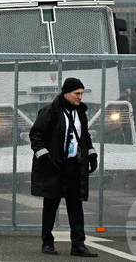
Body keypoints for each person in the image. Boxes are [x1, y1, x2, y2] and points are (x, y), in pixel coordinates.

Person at [30, 77, 99, 257]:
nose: (80, 97)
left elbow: (84, 137)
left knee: (76, 207)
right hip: (55, 166)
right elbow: (36, 135)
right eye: (77, 94)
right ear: (66, 93)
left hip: (74, 166)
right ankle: (47, 243)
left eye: (82, 94)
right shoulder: (50, 111)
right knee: (51, 205)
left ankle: (78, 245)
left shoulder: (80, 113)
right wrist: (46, 159)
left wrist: (91, 154)